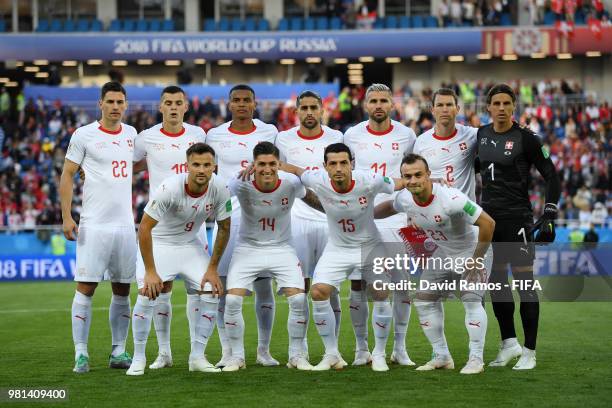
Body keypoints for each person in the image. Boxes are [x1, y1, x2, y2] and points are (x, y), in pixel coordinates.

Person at [281, 143, 408, 372]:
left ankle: (378, 353)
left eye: (343, 163)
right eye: (333, 163)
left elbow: (398, 183)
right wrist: (274, 165)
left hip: (370, 246)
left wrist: (423, 182)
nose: (339, 168)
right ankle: (332, 353)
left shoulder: (370, 180)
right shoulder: (317, 179)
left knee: (380, 292)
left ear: (352, 164)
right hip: (337, 247)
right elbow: (298, 171)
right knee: (318, 291)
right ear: (325, 167)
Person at [374, 154, 495, 374]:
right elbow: (390, 207)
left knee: (471, 300)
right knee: (423, 301)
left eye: (418, 175)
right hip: (443, 252)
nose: (413, 181)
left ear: (429, 175)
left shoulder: (452, 199)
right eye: (407, 176)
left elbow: (488, 223)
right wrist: (363, 215)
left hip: (472, 250)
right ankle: (442, 356)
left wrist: (477, 259)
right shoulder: (405, 198)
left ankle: (476, 359)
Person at [126, 143, 230, 375]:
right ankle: (139, 358)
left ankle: (197, 357)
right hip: (160, 243)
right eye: (196, 165)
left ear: (214, 167)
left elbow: (224, 228)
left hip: (189, 245)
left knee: (212, 289)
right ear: (187, 166)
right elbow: (144, 229)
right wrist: (151, 272)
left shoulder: (221, 188)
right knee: (147, 293)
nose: (201, 170)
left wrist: (213, 268)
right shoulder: (170, 188)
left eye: (206, 165)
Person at [477, 84, 561, 370]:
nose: (501, 108)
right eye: (496, 103)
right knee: (496, 283)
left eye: (506, 103)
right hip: (488, 221)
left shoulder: (528, 138)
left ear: (514, 106)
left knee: (524, 283)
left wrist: (549, 211)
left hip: (518, 220)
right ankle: (508, 344)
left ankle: (530, 351)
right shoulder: (481, 134)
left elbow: (552, 175)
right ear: (488, 107)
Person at [60, 81, 138, 373]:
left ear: (126, 105)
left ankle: (118, 351)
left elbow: (136, 164)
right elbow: (67, 174)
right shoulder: (84, 135)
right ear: (100, 104)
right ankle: (81, 353)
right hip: (93, 224)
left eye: (120, 102)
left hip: (124, 225)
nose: (115, 107)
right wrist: (67, 216)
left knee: (122, 289)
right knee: (86, 287)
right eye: (111, 102)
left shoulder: (131, 135)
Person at [222, 142, 319, 372]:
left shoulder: (291, 183)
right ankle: (237, 357)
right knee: (232, 300)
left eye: (272, 164)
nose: (267, 169)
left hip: (282, 248)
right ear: (253, 165)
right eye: (261, 164)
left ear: (279, 165)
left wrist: (340, 213)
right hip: (248, 248)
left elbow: (313, 198)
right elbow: (217, 198)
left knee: (298, 299)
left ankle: (296, 355)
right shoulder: (240, 183)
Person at [132, 85, 207, 370]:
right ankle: (164, 352)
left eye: (178, 102)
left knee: (199, 288)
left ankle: (196, 355)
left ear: (185, 106)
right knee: (161, 288)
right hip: (161, 226)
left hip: (194, 225)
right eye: (168, 103)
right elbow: (133, 165)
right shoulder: (146, 138)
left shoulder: (197, 134)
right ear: (160, 107)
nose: (173, 107)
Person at [205, 84, 278, 367]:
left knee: (263, 284)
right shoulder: (215, 135)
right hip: (228, 216)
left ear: (254, 103)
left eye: (247, 100)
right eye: (236, 100)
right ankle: (228, 351)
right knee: (222, 285)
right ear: (229, 104)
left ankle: (263, 350)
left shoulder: (269, 131)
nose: (242, 105)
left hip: (261, 214)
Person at [344, 83, 417, 366]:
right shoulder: (352, 135)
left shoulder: (406, 135)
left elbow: (413, 173)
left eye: (383, 100)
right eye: (373, 100)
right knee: (359, 285)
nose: (378, 105)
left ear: (392, 104)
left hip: (398, 218)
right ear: (365, 105)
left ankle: (399, 347)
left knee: (402, 286)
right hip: (361, 220)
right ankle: (362, 348)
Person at [275, 90, 344, 355]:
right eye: (303, 108)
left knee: (331, 286)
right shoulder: (283, 139)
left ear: (322, 110)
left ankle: (332, 349)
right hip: (297, 219)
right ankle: (299, 349)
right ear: (296, 112)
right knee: (299, 286)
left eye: (314, 107)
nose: (309, 112)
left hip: (329, 220)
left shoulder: (336, 138)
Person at [414, 88, 478, 200]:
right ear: (432, 110)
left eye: (449, 105)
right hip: (434, 212)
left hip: (465, 213)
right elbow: (415, 178)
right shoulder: (421, 141)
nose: (445, 109)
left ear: (457, 109)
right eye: (440, 105)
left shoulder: (472, 135)